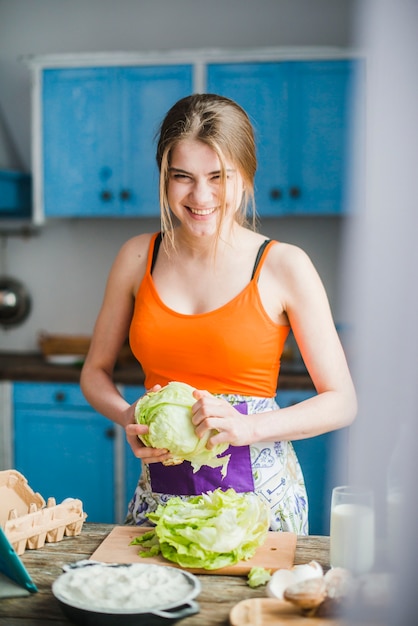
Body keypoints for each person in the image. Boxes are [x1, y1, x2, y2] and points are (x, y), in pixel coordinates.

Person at [80, 93, 357, 535]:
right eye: (182, 177)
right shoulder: (136, 257)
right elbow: (94, 372)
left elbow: (342, 402)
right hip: (159, 498)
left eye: (219, 176)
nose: (201, 195)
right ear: (165, 179)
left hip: (261, 505)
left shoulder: (284, 265)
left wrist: (247, 427)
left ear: (245, 177)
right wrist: (127, 415)